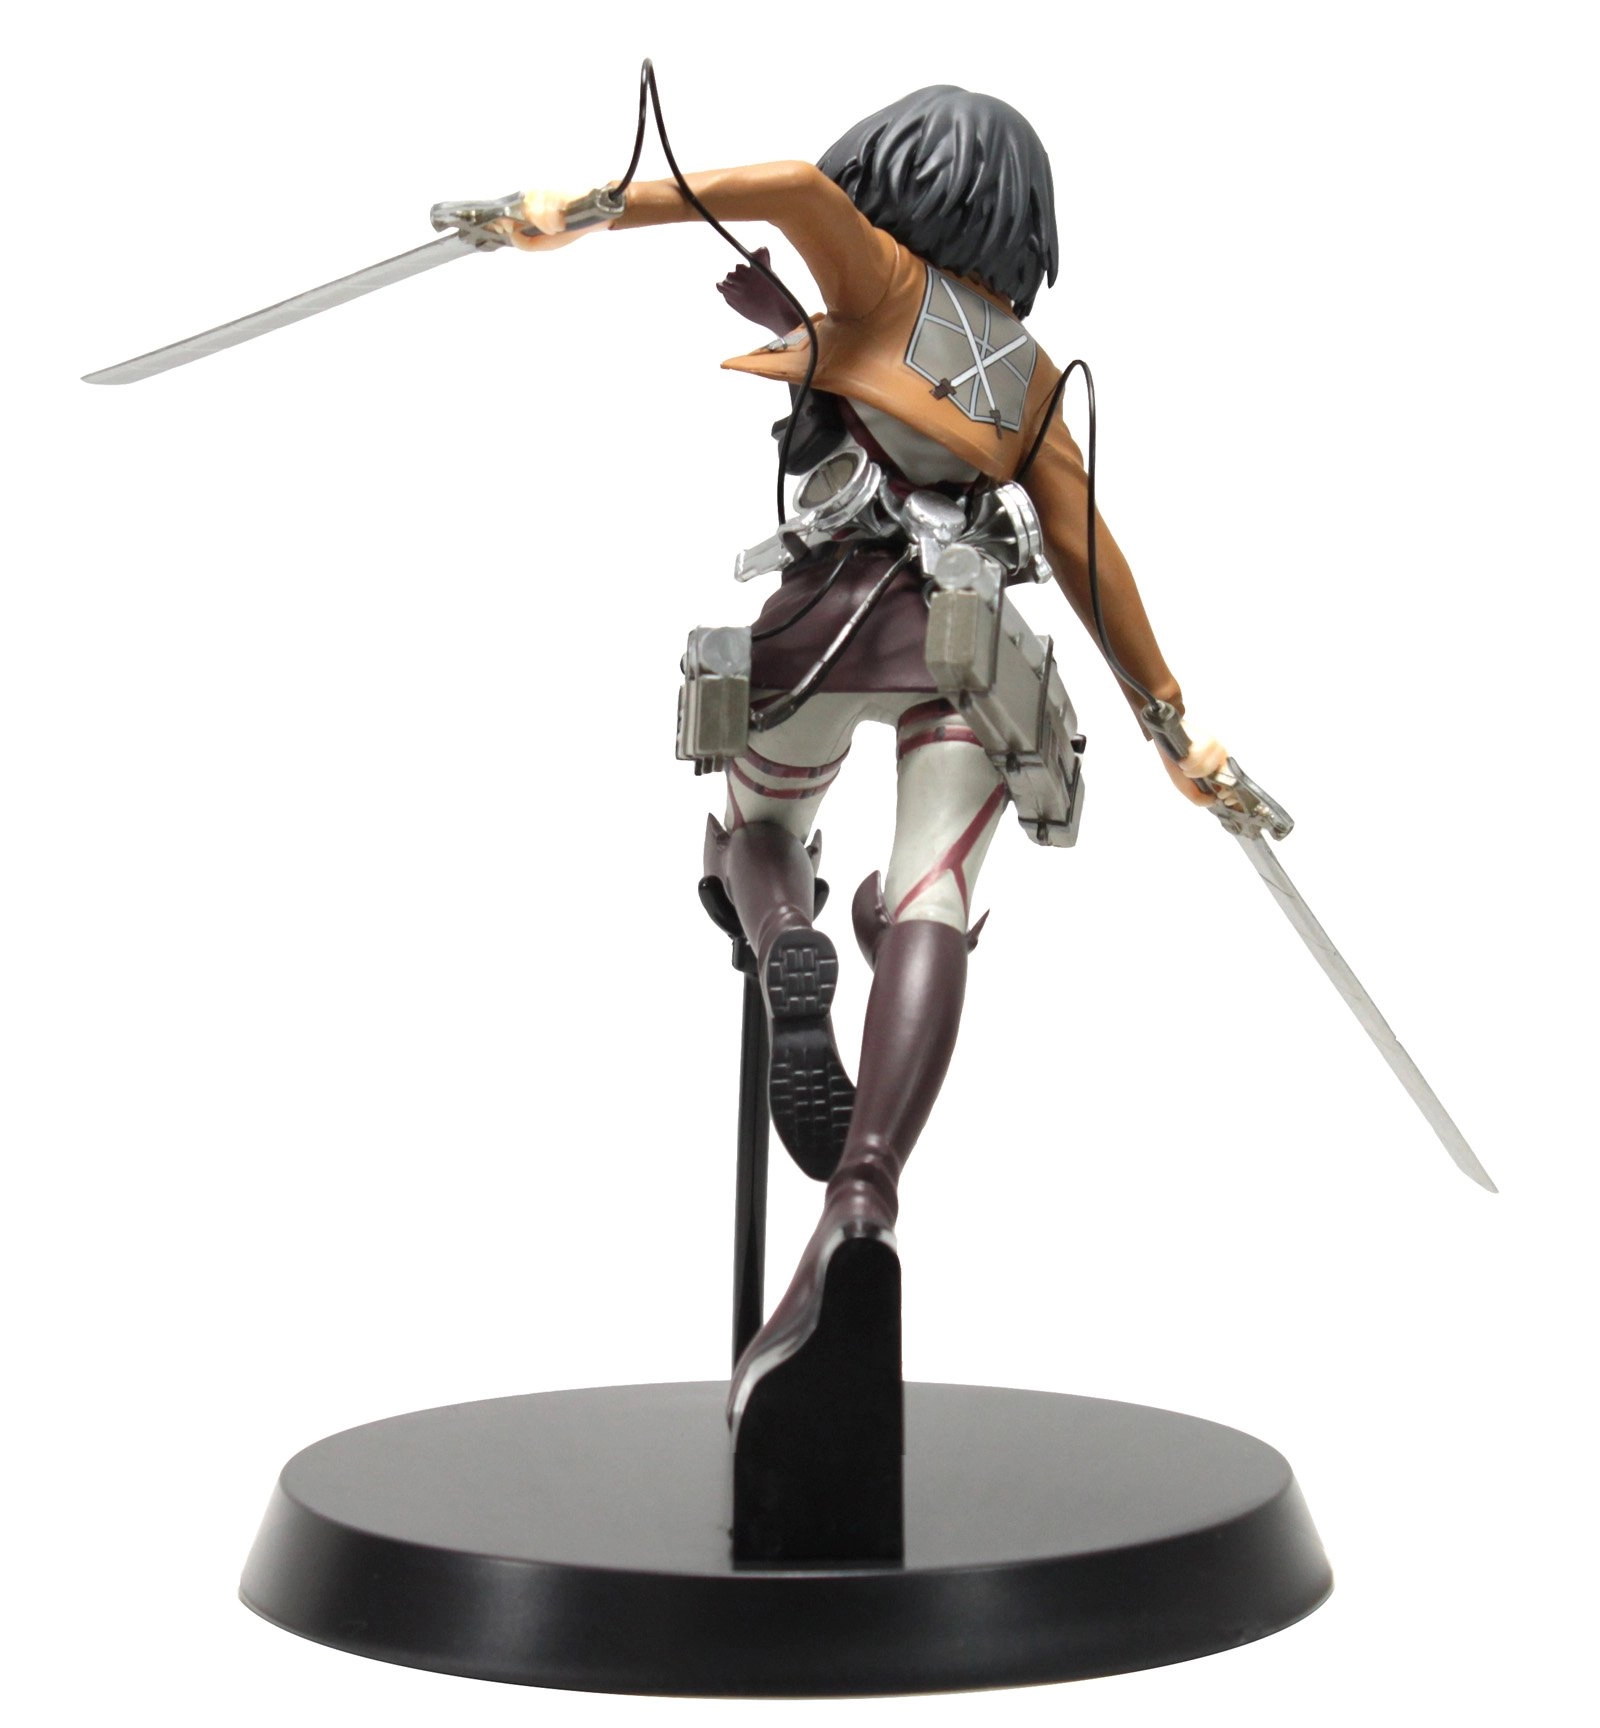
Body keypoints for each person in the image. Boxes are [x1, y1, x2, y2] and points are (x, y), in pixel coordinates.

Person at [501, 87, 1229, 1444]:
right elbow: (1087, 555)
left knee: (756, 836)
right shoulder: (1030, 378)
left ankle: (787, 935)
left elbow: (786, 183)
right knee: (933, 899)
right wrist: (1176, 729)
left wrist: (581, 209)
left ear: (898, 183)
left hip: (824, 628)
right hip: (964, 652)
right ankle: (864, 1192)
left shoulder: (882, 275)